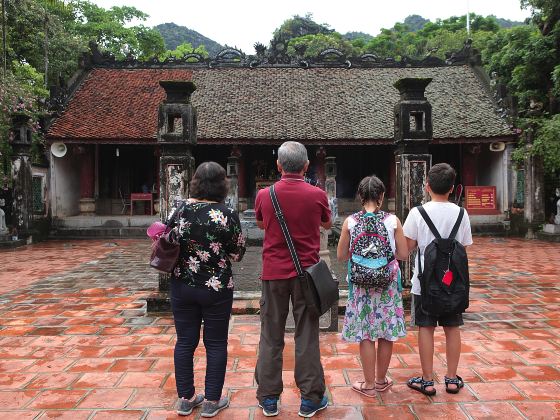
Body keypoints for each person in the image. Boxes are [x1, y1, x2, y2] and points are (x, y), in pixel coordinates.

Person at [254, 141, 332, 418]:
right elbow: (326, 224)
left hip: (273, 273)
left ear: (278, 165)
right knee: (307, 335)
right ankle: (310, 399)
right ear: (307, 166)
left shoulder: (265, 195)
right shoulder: (317, 194)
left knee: (271, 335)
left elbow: (262, 224)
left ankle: (269, 398)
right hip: (306, 275)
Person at [168, 161, 246, 417]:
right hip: (217, 287)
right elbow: (237, 253)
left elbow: (167, 240)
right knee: (215, 343)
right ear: (222, 184)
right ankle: (212, 401)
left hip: (183, 284)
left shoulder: (180, 210)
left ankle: (186, 398)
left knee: (185, 342)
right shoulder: (227, 214)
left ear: (196, 182)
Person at [402, 163, 472, 396]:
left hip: (424, 282)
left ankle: (427, 380)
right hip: (452, 283)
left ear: (427, 186)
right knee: (453, 327)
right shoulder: (461, 213)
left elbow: (408, 248)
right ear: (452, 188)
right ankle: (452, 379)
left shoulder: (417, 212)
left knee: (426, 327)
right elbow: (462, 247)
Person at [336, 175, 408, 397]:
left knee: (366, 333)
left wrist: (362, 260)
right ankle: (380, 380)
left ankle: (367, 384)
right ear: (382, 196)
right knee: (385, 332)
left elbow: (340, 256)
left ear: (360, 196)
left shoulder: (351, 221)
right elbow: (404, 254)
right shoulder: (393, 221)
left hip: (360, 286)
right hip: (387, 284)